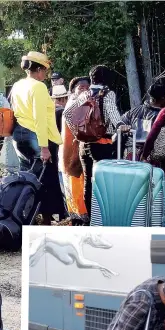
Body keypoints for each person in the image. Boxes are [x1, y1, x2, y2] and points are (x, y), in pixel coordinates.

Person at [64, 65, 129, 218]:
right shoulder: (107, 93)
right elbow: (111, 110)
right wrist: (120, 125)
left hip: (84, 145)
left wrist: (79, 132)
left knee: (88, 182)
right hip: (102, 143)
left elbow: (67, 113)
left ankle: (91, 219)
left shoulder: (84, 94)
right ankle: (104, 217)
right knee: (104, 183)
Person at [10, 51, 66, 225]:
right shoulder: (39, 87)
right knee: (45, 178)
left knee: (27, 177)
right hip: (36, 135)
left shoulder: (17, 85)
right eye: (45, 71)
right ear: (39, 69)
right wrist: (44, 146)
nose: (46, 75)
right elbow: (40, 118)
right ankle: (47, 219)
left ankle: (26, 215)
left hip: (18, 134)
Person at [59, 76, 91, 225]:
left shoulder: (82, 103)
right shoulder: (74, 104)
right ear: (73, 91)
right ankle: (79, 217)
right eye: (81, 88)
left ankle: (79, 215)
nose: (85, 90)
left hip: (75, 151)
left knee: (77, 183)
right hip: (72, 152)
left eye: (87, 87)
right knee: (75, 184)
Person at [119, 82, 165, 159]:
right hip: (150, 155)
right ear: (163, 98)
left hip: (131, 153)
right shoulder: (164, 115)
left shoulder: (135, 110)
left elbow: (119, 122)